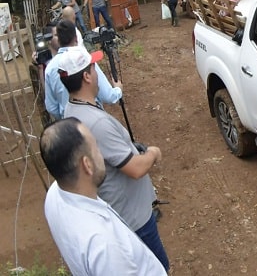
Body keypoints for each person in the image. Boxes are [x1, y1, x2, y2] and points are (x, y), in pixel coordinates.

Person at [60, 44, 171, 271]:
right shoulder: (97, 122)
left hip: (119, 210)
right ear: (87, 77)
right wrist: (153, 153)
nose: (97, 71)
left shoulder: (71, 110)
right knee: (157, 267)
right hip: (134, 217)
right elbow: (135, 169)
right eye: (94, 67)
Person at [40, 117, 167, 276]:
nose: (102, 154)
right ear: (87, 164)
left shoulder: (54, 196)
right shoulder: (106, 247)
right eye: (96, 148)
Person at [45, 19, 122, 120]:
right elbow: (108, 96)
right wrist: (118, 89)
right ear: (76, 38)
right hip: (92, 118)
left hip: (68, 124)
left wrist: (64, 117)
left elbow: (51, 107)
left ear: (59, 40)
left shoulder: (49, 69)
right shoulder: (84, 58)